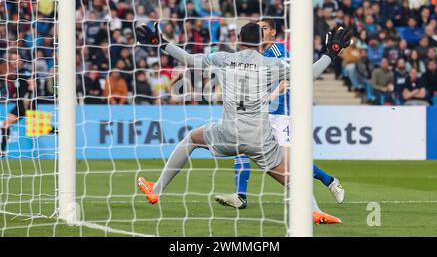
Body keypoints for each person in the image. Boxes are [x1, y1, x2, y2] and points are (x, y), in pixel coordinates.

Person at [135, 22, 352, 224]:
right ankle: (313, 210)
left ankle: (157, 189)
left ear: (239, 39)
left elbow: (190, 60)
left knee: (191, 140)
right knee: (292, 178)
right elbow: (309, 75)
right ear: (261, 41)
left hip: (228, 133)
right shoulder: (271, 63)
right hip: (259, 139)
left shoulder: (222, 59)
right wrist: (331, 53)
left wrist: (162, 44)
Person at [214, 19, 345, 211]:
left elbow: (288, 78)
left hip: (279, 112)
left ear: (273, 33)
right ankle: (240, 196)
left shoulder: (278, 51)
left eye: (264, 28)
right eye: (259, 28)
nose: (261, 31)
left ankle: (329, 181)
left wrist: (272, 95)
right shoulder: (254, 53)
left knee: (289, 162)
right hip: (258, 112)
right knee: (241, 147)